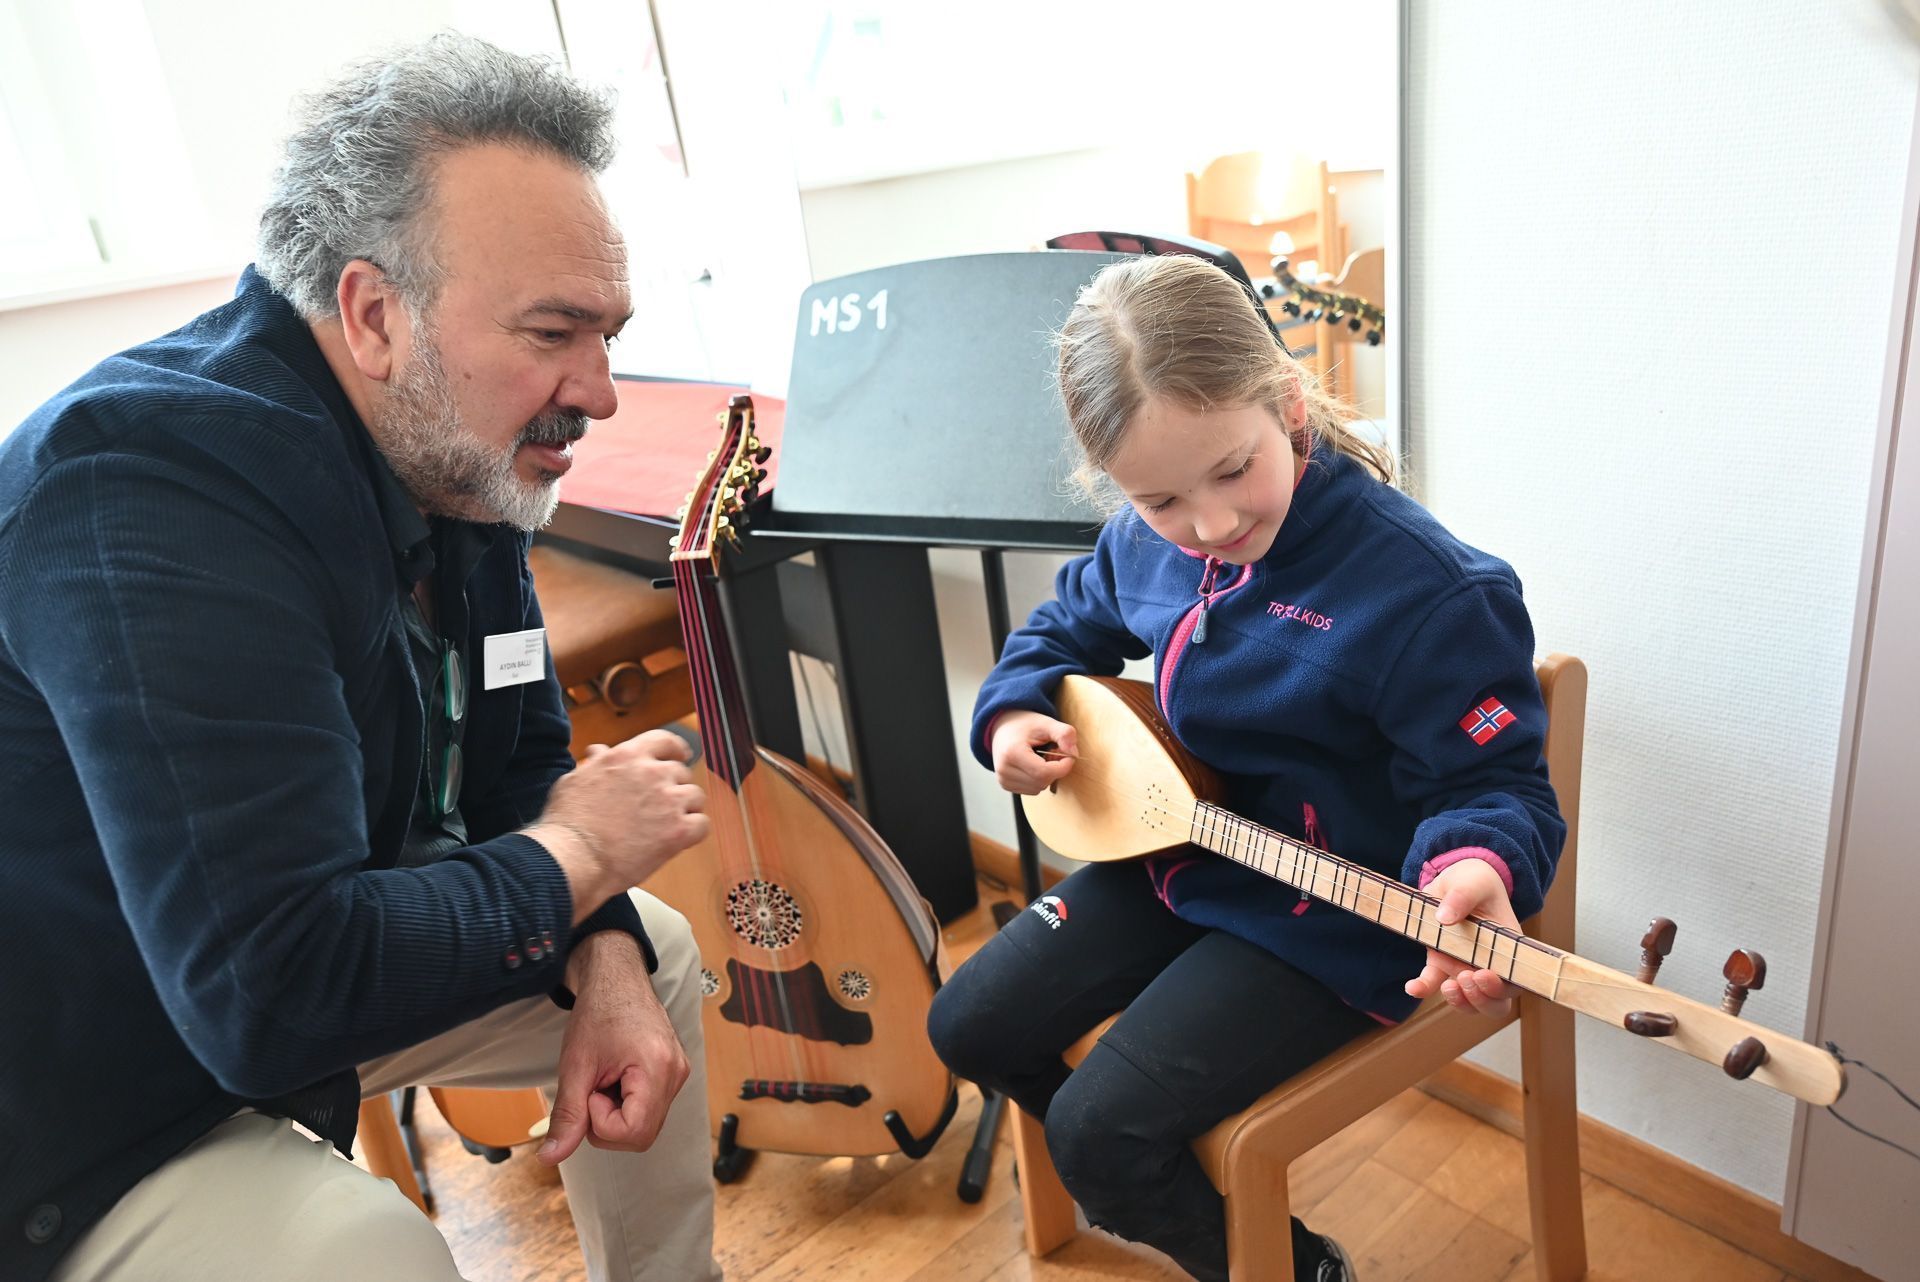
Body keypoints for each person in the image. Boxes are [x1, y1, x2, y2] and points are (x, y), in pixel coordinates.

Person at [0, 34, 724, 1282]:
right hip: (85, 1092)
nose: (600, 392)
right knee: (370, 1250)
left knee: (647, 955)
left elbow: (520, 761)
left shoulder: (452, 453)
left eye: (608, 335)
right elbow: (268, 992)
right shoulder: (147, 493)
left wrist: (596, 922)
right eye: (555, 332)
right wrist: (578, 853)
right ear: (374, 314)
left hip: (295, 968)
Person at [926, 253, 1566, 1282]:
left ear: (1289, 403)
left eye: (1234, 471)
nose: (1212, 526)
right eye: (1161, 499)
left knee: (1098, 1134)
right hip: (1186, 857)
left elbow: (1497, 786)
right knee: (967, 1027)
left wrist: (1475, 863)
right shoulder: (1144, 542)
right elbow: (1058, 629)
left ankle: (1290, 1265)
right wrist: (1012, 712)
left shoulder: (1433, 593)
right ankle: (1159, 1182)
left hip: (1338, 921)